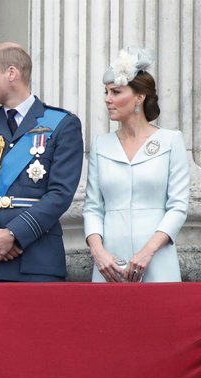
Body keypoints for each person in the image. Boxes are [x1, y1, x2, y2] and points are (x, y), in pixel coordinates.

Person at [0, 42, 84, 281]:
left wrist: (14, 233)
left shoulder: (62, 124)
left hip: (37, 259)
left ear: (11, 73)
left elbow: (60, 193)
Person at [83, 48, 189, 283]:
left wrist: (147, 251)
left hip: (157, 257)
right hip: (108, 264)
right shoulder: (101, 144)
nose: (107, 99)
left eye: (116, 91)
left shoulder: (171, 141)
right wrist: (98, 252)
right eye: (106, 92)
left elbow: (178, 206)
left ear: (140, 97)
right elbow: (92, 207)